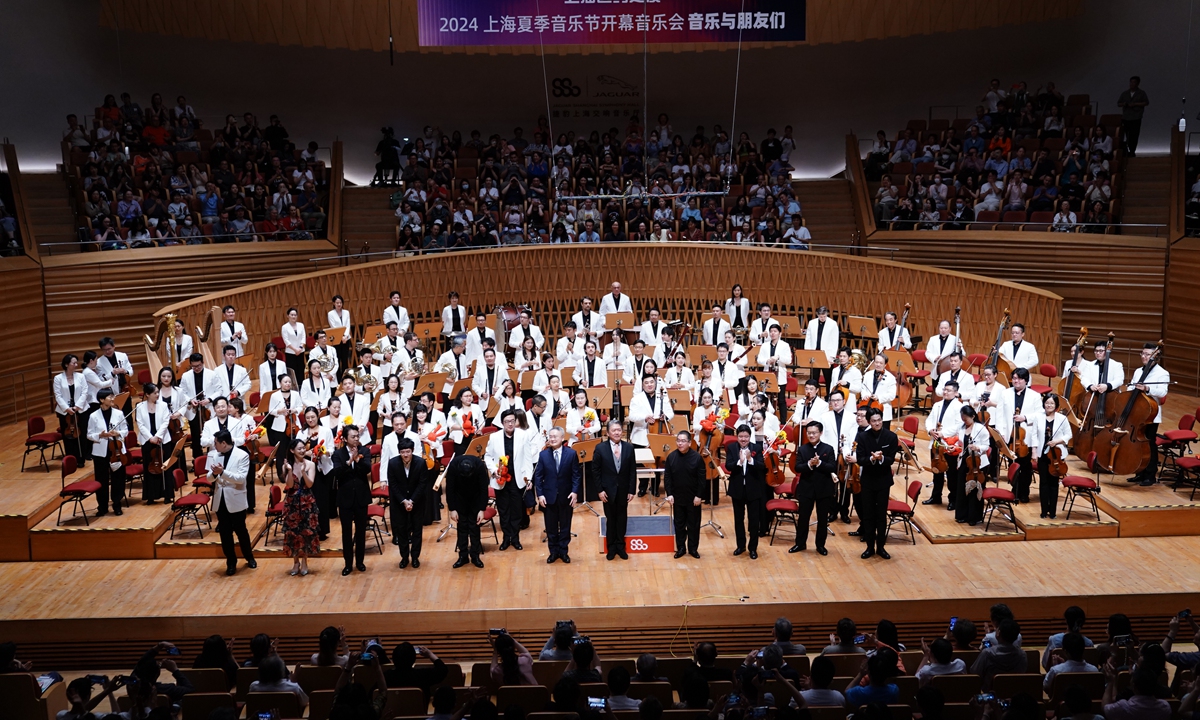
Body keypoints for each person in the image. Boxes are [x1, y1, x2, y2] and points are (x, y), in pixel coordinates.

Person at [484, 410, 535, 550]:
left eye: (513, 420)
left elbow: (528, 458)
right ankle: (506, 538)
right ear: (502, 423)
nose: (510, 424)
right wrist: (494, 470)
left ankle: (516, 538)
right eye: (507, 421)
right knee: (504, 510)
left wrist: (529, 479)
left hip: (517, 479)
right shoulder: (494, 437)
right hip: (500, 478)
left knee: (517, 510)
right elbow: (487, 456)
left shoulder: (523, 435)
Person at [208, 430, 257, 575]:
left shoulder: (242, 455)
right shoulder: (213, 454)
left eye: (216, 443)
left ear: (224, 443)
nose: (214, 445)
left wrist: (222, 473)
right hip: (220, 499)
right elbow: (209, 478)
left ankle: (249, 557)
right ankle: (231, 562)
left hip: (235, 498)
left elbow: (241, 478)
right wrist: (215, 474)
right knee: (225, 533)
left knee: (241, 530)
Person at [534, 427, 582, 564]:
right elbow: (538, 476)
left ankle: (563, 551)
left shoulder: (571, 454)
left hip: (566, 496)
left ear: (562, 438)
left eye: (555, 436)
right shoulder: (543, 455)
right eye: (550, 436)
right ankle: (553, 552)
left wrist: (574, 492)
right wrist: (540, 494)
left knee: (566, 526)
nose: (552, 439)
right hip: (549, 497)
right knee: (551, 527)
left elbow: (576, 476)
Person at [1126, 342, 1170, 485]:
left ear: (1154, 357)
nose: (1144, 357)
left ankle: (1150, 475)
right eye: (1143, 354)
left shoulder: (1162, 373)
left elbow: (1162, 392)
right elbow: (1132, 386)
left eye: (1147, 354)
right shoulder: (1139, 371)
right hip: (1137, 413)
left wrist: (1146, 388)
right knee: (1137, 445)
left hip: (1151, 415)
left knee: (1149, 445)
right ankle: (1139, 472)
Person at [856, 408, 898, 559]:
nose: (877, 423)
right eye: (873, 421)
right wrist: (871, 459)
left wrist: (880, 459)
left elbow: (891, 459)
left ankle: (881, 547)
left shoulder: (891, 436)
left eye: (879, 420)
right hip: (867, 481)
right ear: (869, 421)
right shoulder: (862, 437)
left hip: (883, 481)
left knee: (881, 515)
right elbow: (860, 459)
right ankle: (869, 547)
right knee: (868, 515)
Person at [790, 422, 836, 555]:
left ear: (820, 433)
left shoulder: (828, 449)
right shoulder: (803, 449)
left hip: (824, 489)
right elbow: (797, 467)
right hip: (806, 488)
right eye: (809, 433)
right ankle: (800, 543)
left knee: (822, 519)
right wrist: (809, 464)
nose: (811, 435)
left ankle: (820, 546)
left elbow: (832, 467)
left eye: (814, 433)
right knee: (803, 518)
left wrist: (820, 463)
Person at [333, 426, 372, 575]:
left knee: (361, 531)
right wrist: (349, 461)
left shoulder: (365, 451)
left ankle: (360, 562)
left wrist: (358, 461)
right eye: (353, 437)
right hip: (345, 498)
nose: (356, 439)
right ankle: (348, 564)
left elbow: (367, 468)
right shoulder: (338, 454)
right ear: (344, 439)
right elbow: (337, 473)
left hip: (361, 497)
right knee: (346, 532)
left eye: (357, 436)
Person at [595, 419, 636, 560]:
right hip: (607, 491)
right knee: (610, 519)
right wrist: (600, 490)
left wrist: (632, 490)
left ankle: (621, 546)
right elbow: (596, 472)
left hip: (624, 490)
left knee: (622, 518)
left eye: (619, 430)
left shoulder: (629, 448)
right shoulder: (600, 448)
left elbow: (632, 471)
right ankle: (611, 547)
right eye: (614, 430)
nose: (617, 432)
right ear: (608, 433)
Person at [279, 437, 319, 576]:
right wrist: (290, 471)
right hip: (292, 503)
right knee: (293, 533)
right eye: (299, 449)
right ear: (292, 450)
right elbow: (289, 485)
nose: (302, 451)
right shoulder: (286, 465)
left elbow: (310, 484)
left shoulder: (311, 465)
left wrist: (303, 472)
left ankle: (305, 562)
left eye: (303, 448)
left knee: (306, 532)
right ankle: (295, 562)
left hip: (307, 502)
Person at [387, 438, 429, 569]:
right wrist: (404, 501)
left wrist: (412, 501)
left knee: (417, 530)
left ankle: (415, 557)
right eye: (403, 452)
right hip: (399, 502)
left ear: (412, 451)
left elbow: (423, 484)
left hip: (417, 501)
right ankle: (404, 557)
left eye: (408, 451)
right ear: (399, 452)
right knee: (401, 530)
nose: (405, 455)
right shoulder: (393, 463)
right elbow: (392, 484)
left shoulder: (421, 463)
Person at [725, 425, 766, 559]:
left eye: (746, 437)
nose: (743, 439)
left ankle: (753, 548)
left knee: (754, 521)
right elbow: (728, 466)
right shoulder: (731, 448)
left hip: (753, 490)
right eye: (741, 436)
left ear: (750, 437)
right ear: (737, 437)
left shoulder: (757, 448)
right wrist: (739, 461)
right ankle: (740, 545)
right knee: (738, 520)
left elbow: (761, 466)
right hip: (737, 490)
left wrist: (749, 460)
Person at [86, 388, 129, 517]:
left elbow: (125, 430)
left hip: (116, 451)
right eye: (109, 397)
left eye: (112, 396)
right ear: (101, 400)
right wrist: (100, 435)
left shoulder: (118, 414)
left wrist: (118, 433)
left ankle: (117, 504)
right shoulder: (93, 416)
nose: (112, 399)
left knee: (118, 479)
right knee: (101, 480)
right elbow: (89, 434)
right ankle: (102, 506)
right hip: (100, 452)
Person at [664, 430, 705, 559]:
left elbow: (701, 479)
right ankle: (681, 548)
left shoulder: (697, 458)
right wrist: (669, 494)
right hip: (677, 498)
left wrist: (699, 495)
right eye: (678, 441)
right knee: (679, 525)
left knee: (693, 525)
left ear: (689, 442)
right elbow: (667, 477)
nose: (680, 443)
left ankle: (693, 549)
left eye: (683, 441)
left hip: (693, 499)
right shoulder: (671, 457)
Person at [446, 453, 489, 568]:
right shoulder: (454, 465)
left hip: (475, 500)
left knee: (475, 529)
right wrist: (452, 509)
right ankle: (463, 556)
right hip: (459, 500)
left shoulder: (479, 465)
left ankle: (475, 556)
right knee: (462, 529)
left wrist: (482, 509)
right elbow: (450, 488)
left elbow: (484, 488)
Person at [971, 619, 1026, 690]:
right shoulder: (1022, 655)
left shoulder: (987, 653)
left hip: (991, 694)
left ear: (998, 633)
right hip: (1014, 692)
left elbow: (975, 672)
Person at [1116, 76, 1149, 157]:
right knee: (1127, 134)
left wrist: (1135, 104)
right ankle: (1126, 149)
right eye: (1131, 82)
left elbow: (1146, 102)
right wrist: (1125, 104)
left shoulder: (1141, 93)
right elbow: (1118, 103)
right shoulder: (1125, 93)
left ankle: (1132, 150)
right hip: (1126, 117)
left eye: (1134, 82)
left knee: (1134, 134)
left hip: (1136, 117)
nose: (1132, 84)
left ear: (1137, 83)